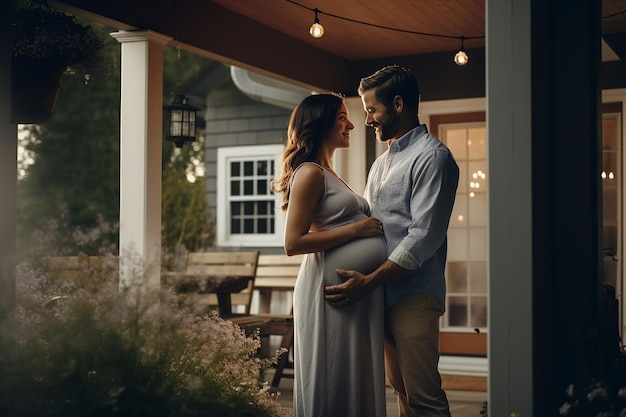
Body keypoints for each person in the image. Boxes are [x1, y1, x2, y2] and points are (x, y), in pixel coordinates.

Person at [325, 65, 460, 417]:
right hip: (379, 296)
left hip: (413, 295)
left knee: (424, 398)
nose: (367, 119)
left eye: (372, 109)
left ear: (398, 104)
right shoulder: (380, 163)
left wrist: (368, 281)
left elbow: (423, 236)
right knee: (400, 390)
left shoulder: (433, 158)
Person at [273, 93, 388, 417]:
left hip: (353, 293)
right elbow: (293, 243)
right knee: (333, 375)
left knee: (353, 374)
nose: (351, 124)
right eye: (341, 117)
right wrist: (356, 231)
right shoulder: (309, 173)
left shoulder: (330, 173)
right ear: (319, 123)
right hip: (328, 293)